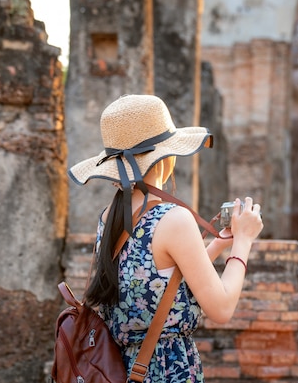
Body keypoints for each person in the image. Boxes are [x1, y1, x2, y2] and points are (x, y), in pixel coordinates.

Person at [68, 94, 263, 383]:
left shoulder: (109, 217)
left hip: (118, 368)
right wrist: (243, 242)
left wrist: (218, 245)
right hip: (165, 370)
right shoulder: (173, 218)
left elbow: (154, 281)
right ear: (165, 157)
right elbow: (221, 309)